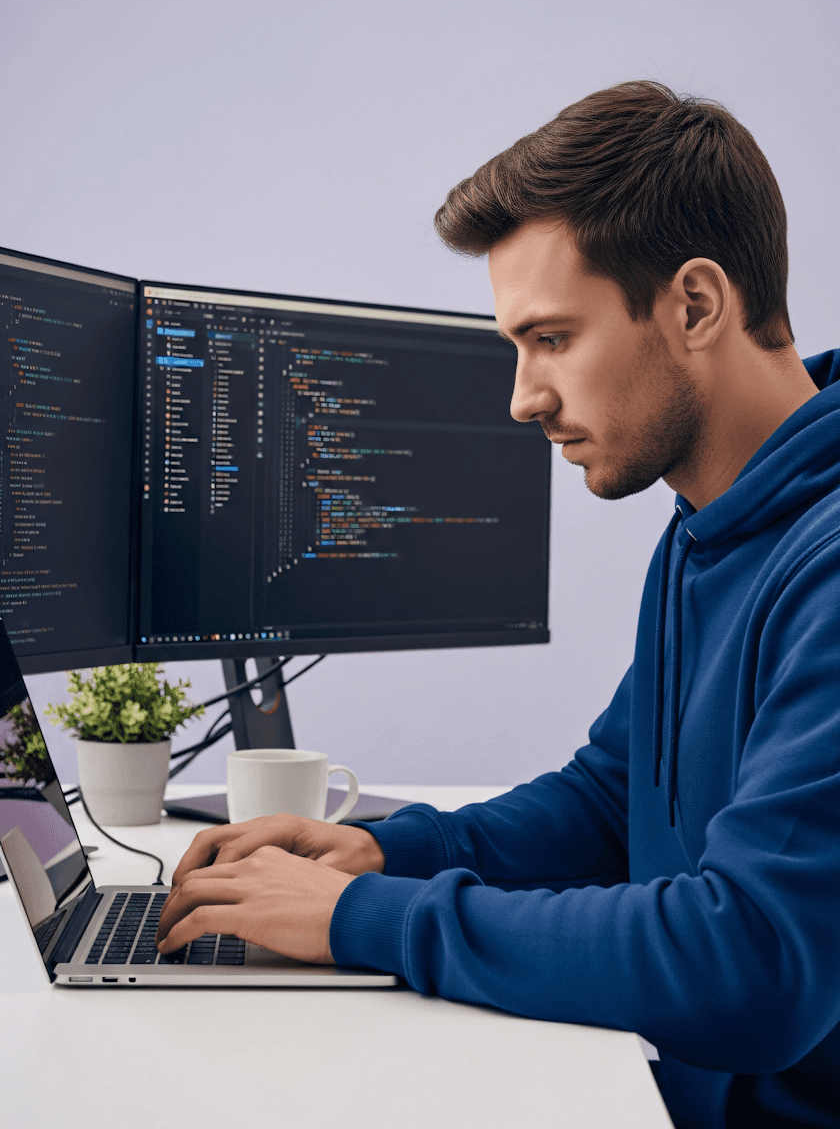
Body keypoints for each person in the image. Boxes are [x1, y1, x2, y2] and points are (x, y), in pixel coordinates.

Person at [156, 82, 840, 1129]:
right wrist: (392, 853)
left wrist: (363, 919)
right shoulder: (711, 522)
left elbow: (752, 964)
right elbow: (615, 801)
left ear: (695, 305)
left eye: (552, 339)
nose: (521, 398)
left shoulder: (826, 565)